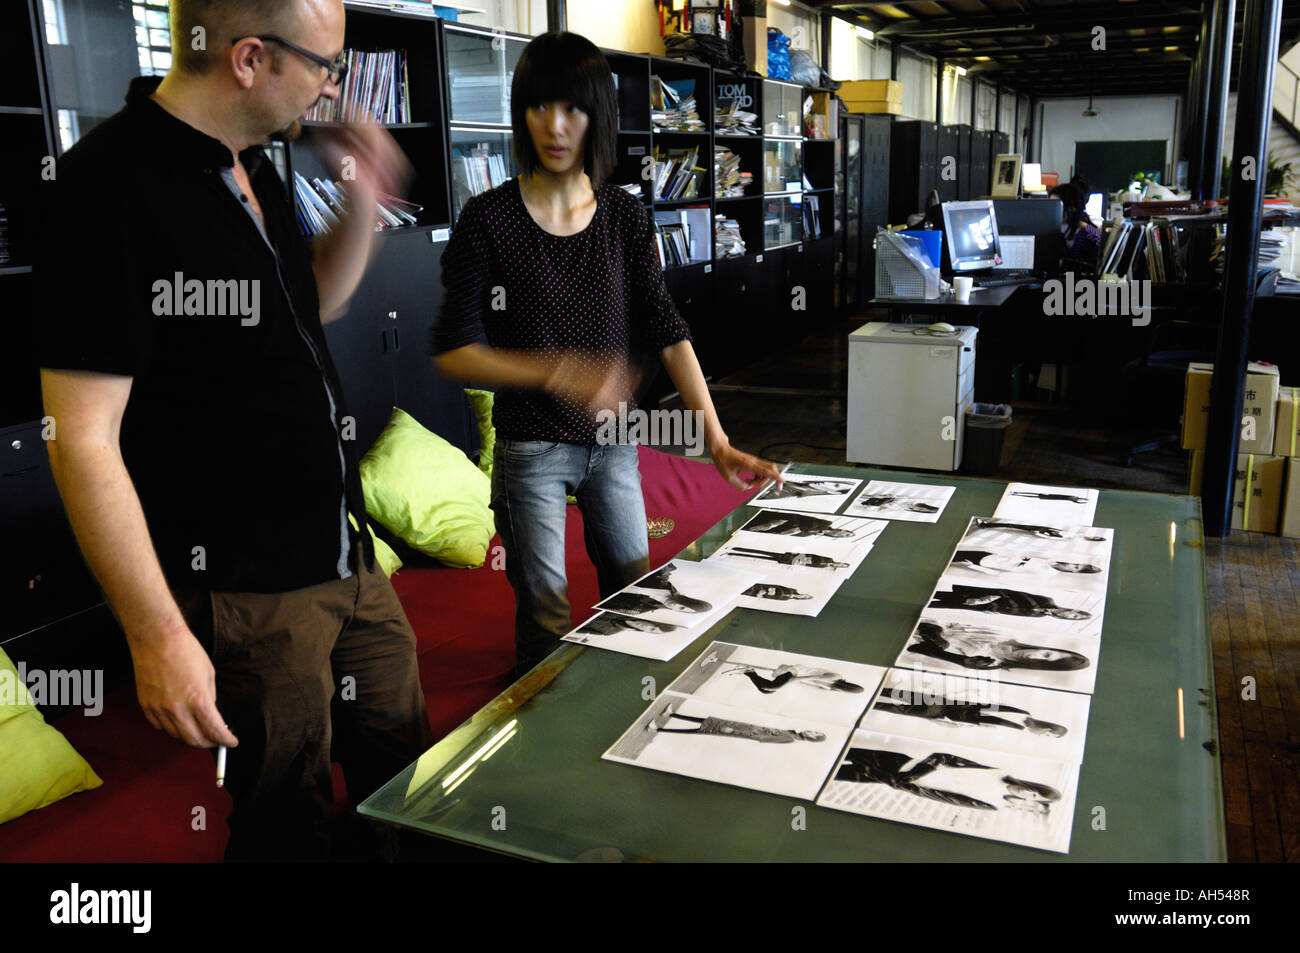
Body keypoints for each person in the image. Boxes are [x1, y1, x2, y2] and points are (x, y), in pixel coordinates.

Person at [35, 0, 433, 861]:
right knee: (285, 817)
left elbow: (311, 306)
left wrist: (361, 200)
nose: (333, 90)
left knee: (405, 783)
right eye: (326, 67)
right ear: (250, 58)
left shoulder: (256, 164)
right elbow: (81, 437)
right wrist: (156, 634)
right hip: (247, 590)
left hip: (346, 552)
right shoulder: (107, 184)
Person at [430, 32, 781, 675]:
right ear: (521, 112)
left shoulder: (624, 216)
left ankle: (623, 714)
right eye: (539, 107)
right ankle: (538, 742)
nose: (555, 126)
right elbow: (452, 350)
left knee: (635, 589)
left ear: (599, 116)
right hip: (530, 448)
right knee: (545, 612)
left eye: (573, 109)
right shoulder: (488, 218)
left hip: (614, 444)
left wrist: (718, 441)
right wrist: (556, 370)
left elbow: (668, 329)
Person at [906, 621, 1090, 672]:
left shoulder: (987, 664)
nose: (1035, 656)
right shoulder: (1003, 635)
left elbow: (916, 654)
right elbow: (949, 622)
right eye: (1046, 654)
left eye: (1043, 662)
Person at [649, 708, 826, 744]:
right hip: (743, 726)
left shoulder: (789, 738)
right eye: (814, 730)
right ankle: (670, 714)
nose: (811, 730)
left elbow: (761, 738)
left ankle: (657, 729)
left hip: (740, 731)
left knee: (702, 729)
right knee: (707, 721)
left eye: (813, 733)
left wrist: (735, 731)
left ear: (811, 738)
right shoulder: (792, 732)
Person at [929, 585, 1092, 621]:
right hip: (983, 598)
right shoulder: (1048, 601)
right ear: (1073, 609)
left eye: (1075, 618)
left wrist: (991, 611)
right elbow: (1012, 593)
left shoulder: (1041, 616)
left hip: (984, 607)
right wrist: (983, 599)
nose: (1072, 615)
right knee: (935, 594)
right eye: (1076, 613)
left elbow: (1013, 611)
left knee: (935, 605)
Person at [1048, 176, 1101, 273]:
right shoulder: (1051, 233)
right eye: (1050, 205)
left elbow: (1094, 268)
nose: (1052, 210)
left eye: (1057, 206)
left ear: (1073, 207)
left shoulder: (1091, 234)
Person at [722, 663, 865, 694]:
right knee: (772, 687)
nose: (845, 690)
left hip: (795, 678)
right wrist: (783, 673)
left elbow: (806, 685)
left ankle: (749, 672)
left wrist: (784, 683)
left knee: (767, 690)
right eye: (848, 689)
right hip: (796, 672)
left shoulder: (830, 688)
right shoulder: (836, 677)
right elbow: (810, 676)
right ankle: (747, 671)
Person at [951, 550, 1102, 576]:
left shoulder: (1044, 574)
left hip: (980, 563)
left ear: (1074, 572)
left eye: (1075, 567)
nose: (1070, 564)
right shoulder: (1050, 558)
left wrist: (972, 566)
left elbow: (1001, 575)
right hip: (988, 555)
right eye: (1075, 563)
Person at [744, 512, 856, 538]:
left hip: (778, 530)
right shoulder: (826, 523)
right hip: (781, 521)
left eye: (845, 536)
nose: (843, 535)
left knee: (752, 529)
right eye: (847, 533)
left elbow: (788, 534)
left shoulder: (811, 535)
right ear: (842, 530)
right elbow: (801, 519)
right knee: (763, 525)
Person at [724, 547, 850, 570]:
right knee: (764, 553)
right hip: (795, 557)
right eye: (842, 564)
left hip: (793, 562)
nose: (839, 565)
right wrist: (802, 558)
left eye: (841, 567)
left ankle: (732, 554)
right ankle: (736, 549)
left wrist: (800, 563)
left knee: (763, 559)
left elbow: (808, 565)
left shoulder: (824, 567)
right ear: (841, 562)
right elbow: (812, 556)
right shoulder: (829, 559)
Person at [577, 614, 681, 636]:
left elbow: (578, 630)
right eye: (653, 626)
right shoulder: (632, 610)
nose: (647, 628)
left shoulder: (610, 631)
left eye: (652, 630)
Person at [744, 583, 815, 601]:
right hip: (759, 587)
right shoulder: (793, 590)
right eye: (806, 595)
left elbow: (770, 597)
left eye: (805, 597)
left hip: (755, 593)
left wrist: (760, 595)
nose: (803, 596)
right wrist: (771, 589)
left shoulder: (786, 599)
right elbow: (777, 586)